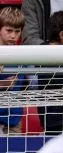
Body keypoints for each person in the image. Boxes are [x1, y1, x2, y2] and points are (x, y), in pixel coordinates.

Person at [0, 6, 25, 135]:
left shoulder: (23, 54)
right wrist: (2, 84)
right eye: (9, 30)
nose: (13, 36)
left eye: (17, 31)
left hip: (14, 119)